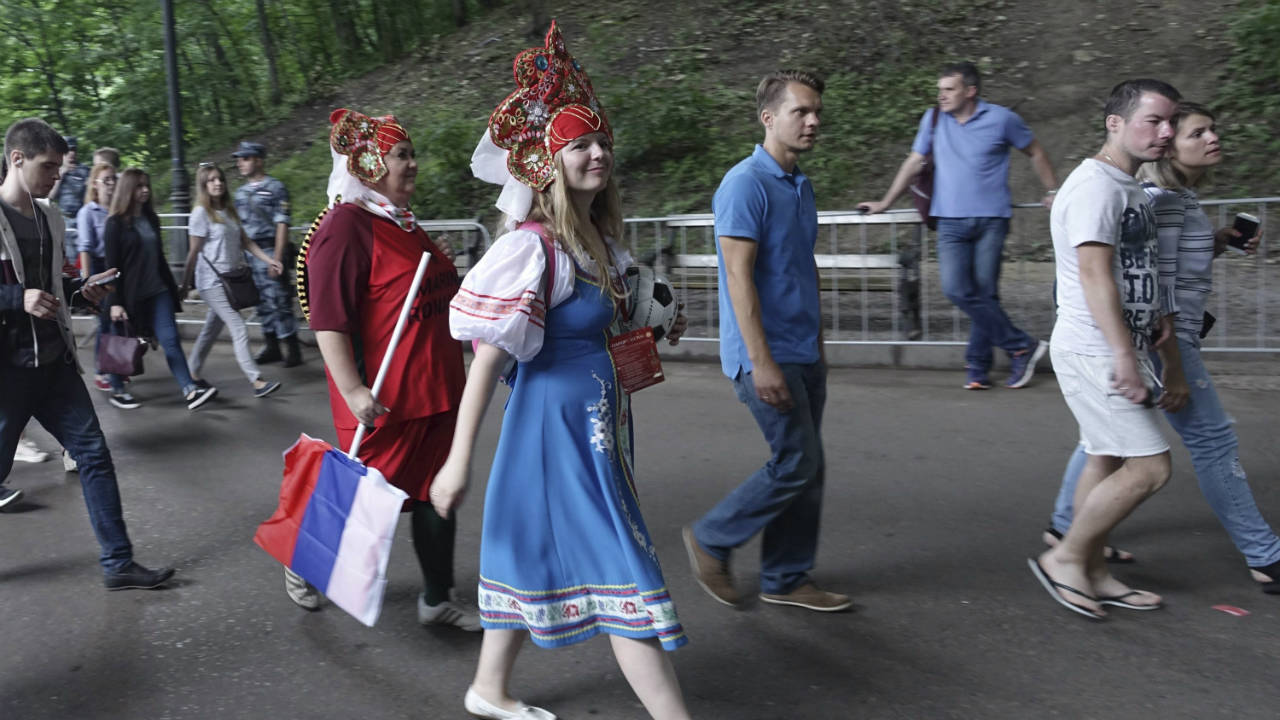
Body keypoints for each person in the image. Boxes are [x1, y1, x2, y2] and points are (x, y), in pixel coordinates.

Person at [433, 23, 691, 720]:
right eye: (579, 144)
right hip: (553, 434)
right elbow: (486, 359)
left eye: (601, 141)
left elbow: (618, 321)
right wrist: (458, 464)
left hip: (598, 425)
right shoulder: (531, 251)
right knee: (621, 564)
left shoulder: (603, 245)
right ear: (548, 162)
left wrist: (652, 318)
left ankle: (488, 688)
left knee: (534, 550)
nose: (597, 153)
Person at [1042, 102, 1280, 595]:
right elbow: (1154, 286)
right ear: (1171, 148)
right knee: (1208, 444)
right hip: (1167, 341)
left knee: (1104, 441)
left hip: (1164, 338)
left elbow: (1167, 267)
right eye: (1199, 132)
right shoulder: (1158, 200)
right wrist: (1172, 364)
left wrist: (1216, 241)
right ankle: (1265, 555)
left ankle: (1068, 530)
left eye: (1213, 129)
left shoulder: (1176, 200)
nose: (1212, 138)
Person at [287, 107, 476, 630]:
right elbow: (328, 316)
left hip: (437, 389)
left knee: (439, 492)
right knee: (369, 496)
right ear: (369, 164)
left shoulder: (402, 223)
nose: (412, 164)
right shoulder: (346, 224)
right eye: (400, 155)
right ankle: (305, 556)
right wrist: (351, 388)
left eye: (412, 153)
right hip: (386, 397)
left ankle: (437, 597)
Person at [682, 70, 850, 615]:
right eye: (802, 111)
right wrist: (762, 362)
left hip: (802, 350)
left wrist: (818, 341)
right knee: (797, 460)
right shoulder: (744, 184)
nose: (814, 121)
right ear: (769, 118)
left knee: (809, 463)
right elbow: (738, 278)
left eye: (817, 111)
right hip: (766, 355)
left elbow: (803, 269)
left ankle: (786, 576)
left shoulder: (800, 184)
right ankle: (712, 539)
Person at [1030, 79, 1186, 619]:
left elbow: (1133, 268)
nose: (1166, 132)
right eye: (1154, 121)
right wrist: (1124, 354)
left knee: (1107, 455)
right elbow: (1095, 276)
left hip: (1119, 344)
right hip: (1098, 350)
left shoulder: (1129, 186)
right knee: (1150, 469)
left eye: (1171, 121)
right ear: (1114, 123)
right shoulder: (1096, 186)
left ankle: (1092, 568)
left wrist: (1154, 324)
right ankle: (1067, 558)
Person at [0, 117, 175, 589]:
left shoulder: (51, 215)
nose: (57, 176)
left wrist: (82, 292)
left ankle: (118, 564)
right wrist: (18, 299)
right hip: (8, 373)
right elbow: (23, 293)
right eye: (48, 166)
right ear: (17, 159)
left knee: (94, 455)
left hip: (54, 365)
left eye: (59, 167)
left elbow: (55, 284)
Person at [858, 61, 1059, 389]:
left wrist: (1052, 191)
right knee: (955, 289)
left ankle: (978, 368)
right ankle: (1022, 345)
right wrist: (885, 202)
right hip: (949, 222)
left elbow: (1035, 151)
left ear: (970, 91)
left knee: (985, 295)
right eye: (940, 90)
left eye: (949, 89)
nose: (942, 96)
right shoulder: (934, 119)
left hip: (992, 220)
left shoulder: (1001, 119)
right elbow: (914, 161)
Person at [103, 168, 219, 411]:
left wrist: (175, 286)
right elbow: (110, 267)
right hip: (129, 295)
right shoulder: (114, 224)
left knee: (171, 340)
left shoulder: (151, 219)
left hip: (158, 292)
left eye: (147, 186)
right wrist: (115, 301)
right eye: (139, 186)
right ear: (128, 190)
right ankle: (118, 389)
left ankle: (189, 389)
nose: (145, 190)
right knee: (122, 343)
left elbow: (158, 258)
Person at [178, 164, 282, 398]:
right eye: (211, 180)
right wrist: (185, 283)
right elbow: (193, 252)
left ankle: (192, 372)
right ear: (203, 186)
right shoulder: (200, 213)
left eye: (220, 179)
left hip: (231, 279)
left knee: (211, 329)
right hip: (211, 282)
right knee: (237, 325)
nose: (217, 183)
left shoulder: (228, 210)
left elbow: (246, 242)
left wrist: (270, 260)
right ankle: (256, 380)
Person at [232, 141, 301, 368]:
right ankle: (272, 346)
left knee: (279, 299)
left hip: (271, 249)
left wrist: (278, 258)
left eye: (245, 158)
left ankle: (292, 348)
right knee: (260, 302)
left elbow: (282, 224)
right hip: (250, 253)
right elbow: (238, 227)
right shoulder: (239, 193)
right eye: (239, 159)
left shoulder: (276, 188)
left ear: (258, 160)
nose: (240, 163)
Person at [76, 162, 118, 391]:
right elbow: (85, 248)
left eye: (114, 179)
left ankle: (118, 366)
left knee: (117, 321)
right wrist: (87, 281)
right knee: (105, 323)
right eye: (107, 180)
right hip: (99, 270)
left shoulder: (119, 210)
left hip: (118, 268)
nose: (111, 184)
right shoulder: (87, 212)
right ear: (95, 184)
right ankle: (102, 371)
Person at [51, 135, 90, 264]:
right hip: (65, 221)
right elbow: (51, 196)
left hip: (82, 219)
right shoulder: (56, 171)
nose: (71, 153)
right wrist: (62, 174)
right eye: (67, 151)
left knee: (84, 255)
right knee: (69, 258)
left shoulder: (85, 171)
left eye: (73, 149)